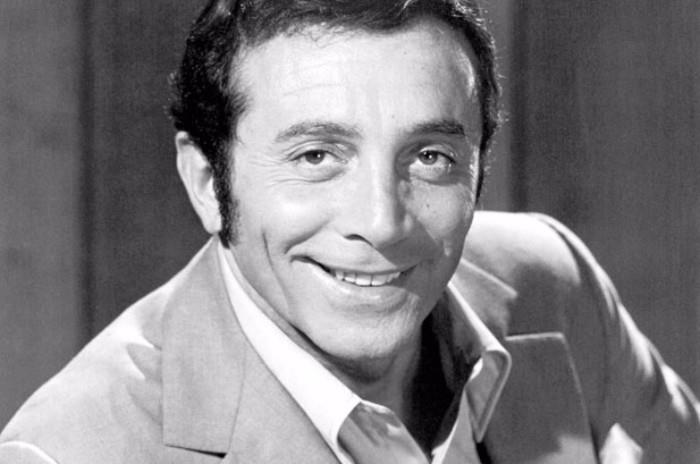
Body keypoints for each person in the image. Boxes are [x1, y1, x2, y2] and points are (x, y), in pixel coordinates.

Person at [1, 0, 699, 462]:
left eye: (431, 157)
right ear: (210, 183)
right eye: (316, 157)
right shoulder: (70, 452)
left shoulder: (555, 285)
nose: (382, 223)